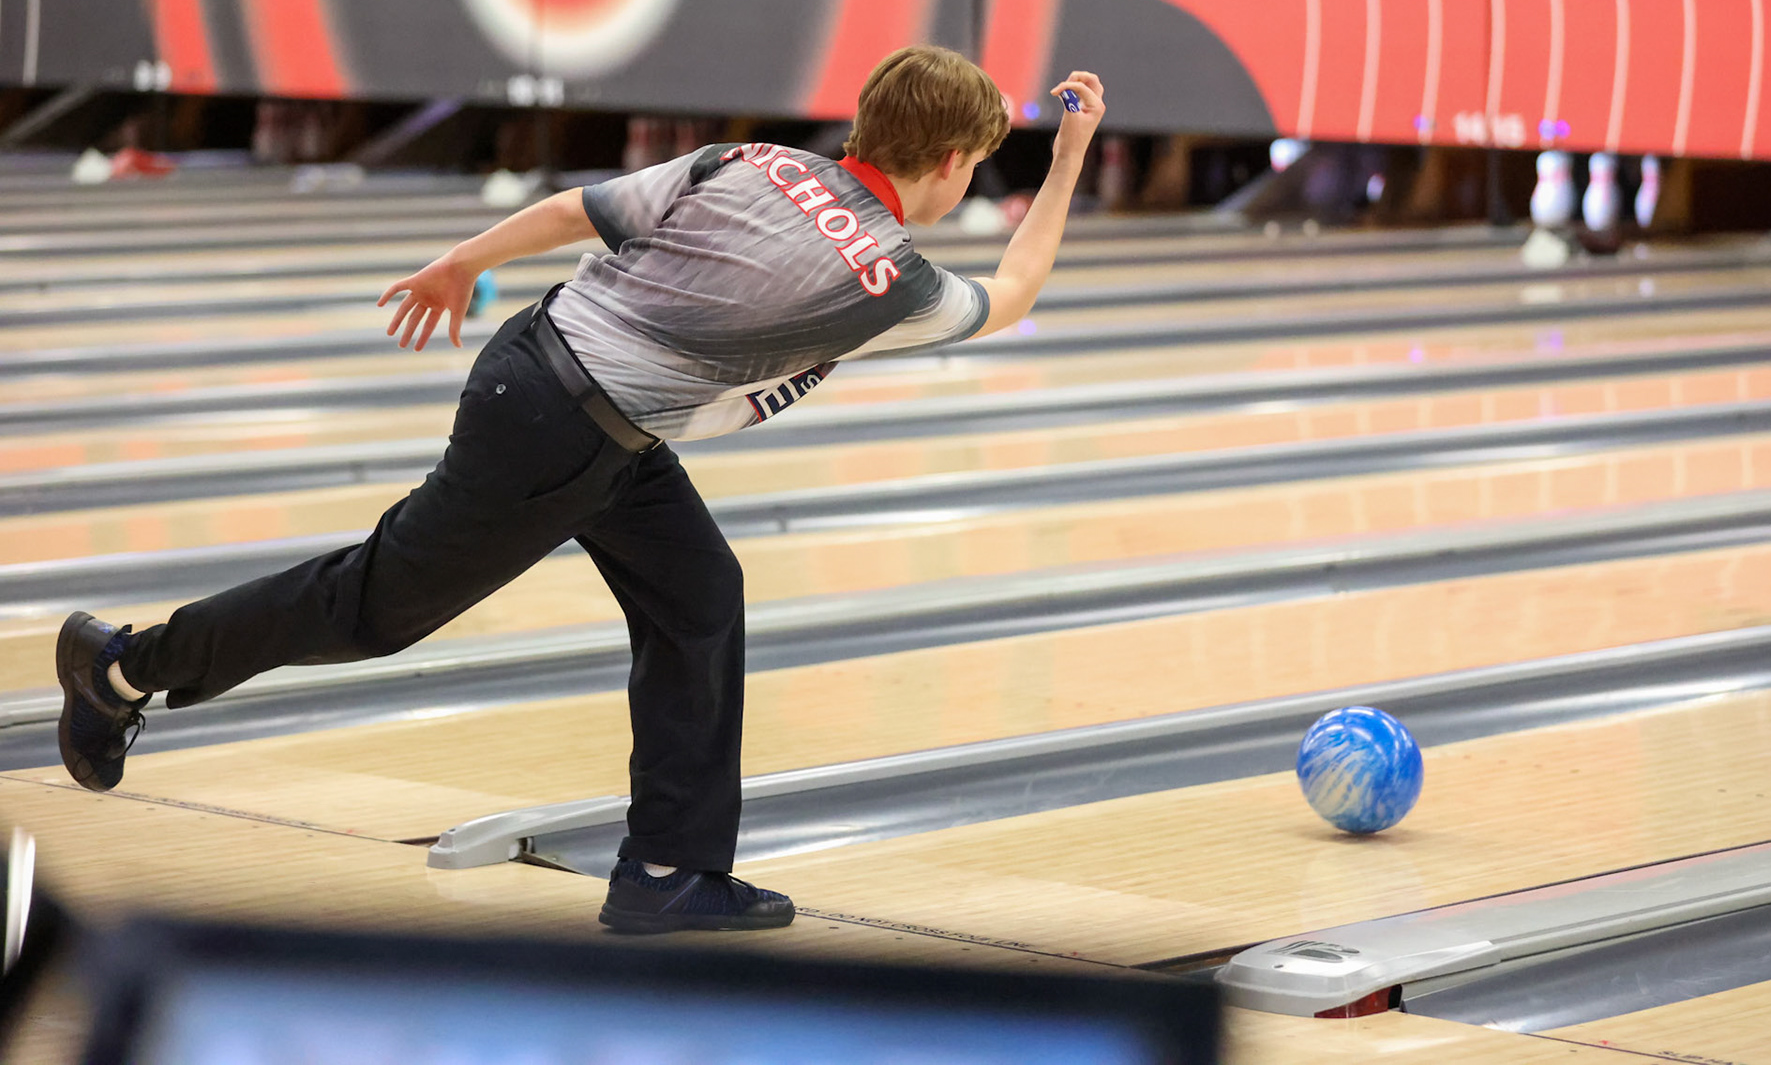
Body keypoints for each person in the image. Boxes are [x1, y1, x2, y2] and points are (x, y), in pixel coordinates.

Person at [55, 49, 1107, 933]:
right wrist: (1066, 164)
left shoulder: (752, 160)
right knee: (370, 608)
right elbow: (1013, 293)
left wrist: (460, 259)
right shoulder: (888, 277)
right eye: (978, 168)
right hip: (563, 433)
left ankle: (669, 873)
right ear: (955, 161)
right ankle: (122, 667)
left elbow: (574, 207)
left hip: (561, 381)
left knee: (698, 595)